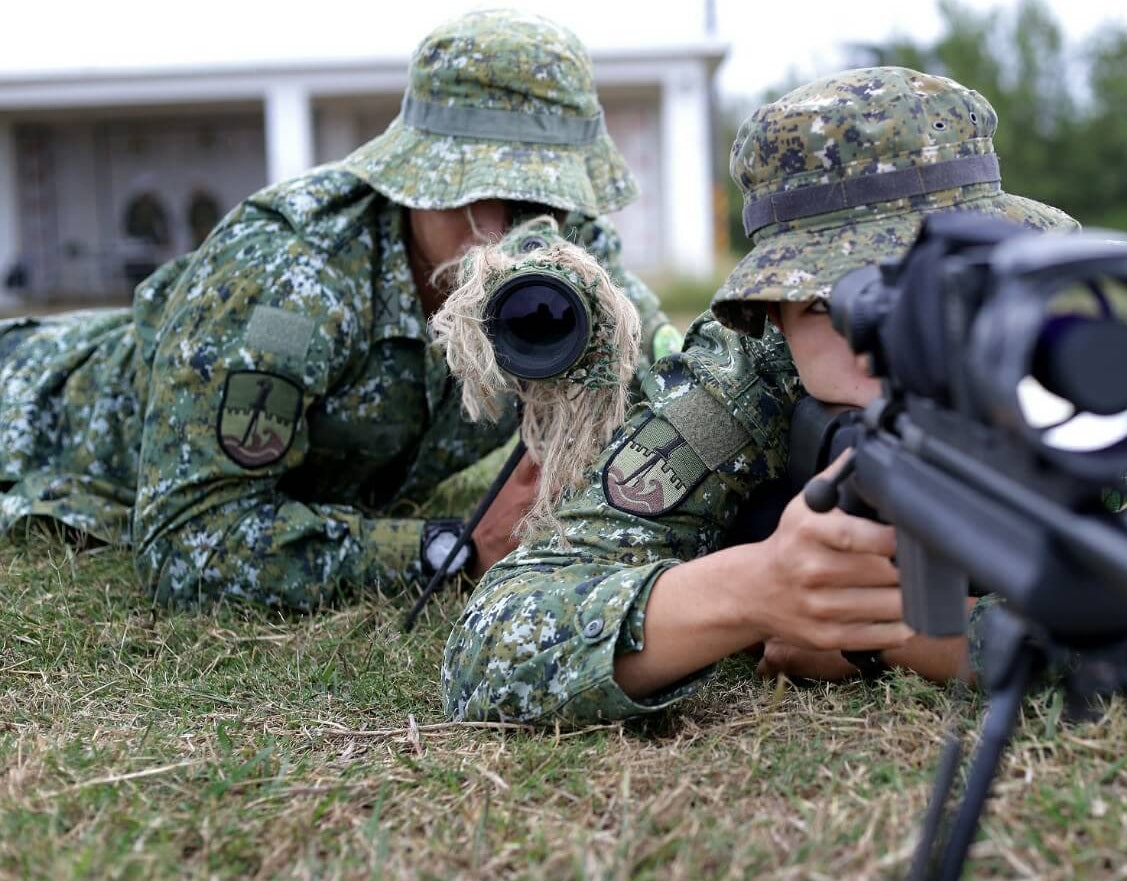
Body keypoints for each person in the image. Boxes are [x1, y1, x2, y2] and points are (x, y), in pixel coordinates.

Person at [440, 67, 1127, 724]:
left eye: (922, 283)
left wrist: (913, 640)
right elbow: (493, 640)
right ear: (773, 313)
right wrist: (750, 592)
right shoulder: (751, 373)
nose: (881, 331)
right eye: (831, 301)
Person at [0, 10, 681, 611]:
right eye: (489, 188)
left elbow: (670, 362)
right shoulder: (290, 279)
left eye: (548, 199)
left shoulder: (566, 256)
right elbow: (188, 538)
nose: (517, 229)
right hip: (31, 408)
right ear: (423, 177)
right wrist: (449, 548)